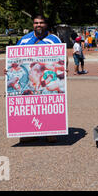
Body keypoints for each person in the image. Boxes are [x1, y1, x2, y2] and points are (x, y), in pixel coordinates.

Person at [15, 15, 65, 143]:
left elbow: (63, 57)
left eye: (41, 23)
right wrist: (8, 69)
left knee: (48, 103)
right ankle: (30, 132)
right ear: (33, 25)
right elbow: (14, 59)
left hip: (47, 76)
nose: (38, 25)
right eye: (36, 23)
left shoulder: (54, 39)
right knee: (29, 104)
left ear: (46, 24)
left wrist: (65, 68)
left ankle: (50, 131)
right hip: (30, 77)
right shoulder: (24, 40)